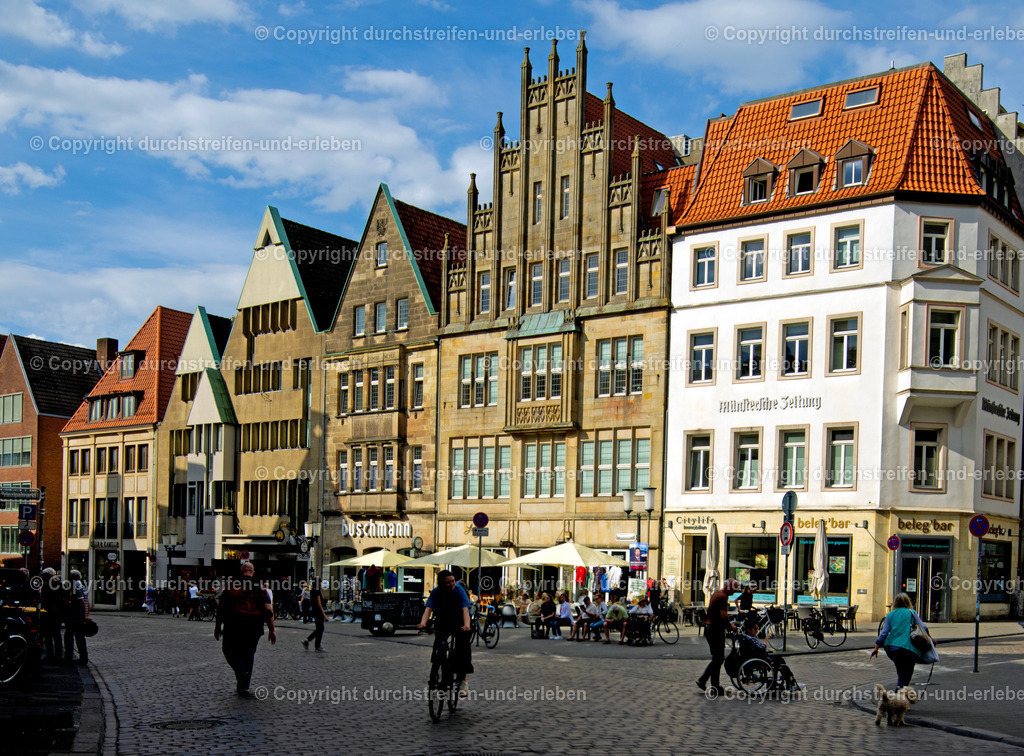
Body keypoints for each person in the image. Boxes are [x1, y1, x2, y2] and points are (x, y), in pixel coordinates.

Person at [214, 562, 276, 697]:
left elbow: (221, 608)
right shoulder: (260, 589)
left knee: (229, 650)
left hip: (233, 625)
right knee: (248, 655)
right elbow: (268, 610)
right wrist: (272, 629)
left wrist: (218, 626)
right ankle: (244, 686)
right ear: (253, 572)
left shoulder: (230, 586)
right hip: (253, 627)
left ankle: (241, 673)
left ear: (241, 572)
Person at [418, 569, 473, 697]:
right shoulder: (437, 591)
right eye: (448, 582)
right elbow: (428, 608)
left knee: (463, 646)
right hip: (444, 619)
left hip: (461, 620)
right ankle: (436, 668)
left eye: (453, 581)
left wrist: (466, 625)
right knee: (438, 642)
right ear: (442, 583)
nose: (452, 584)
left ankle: (463, 680)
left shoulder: (459, 590)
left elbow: (465, 609)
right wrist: (423, 623)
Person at [871, 592, 930, 689]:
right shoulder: (912, 613)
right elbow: (923, 627)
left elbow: (884, 633)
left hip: (894, 649)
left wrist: (876, 647)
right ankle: (896, 699)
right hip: (909, 648)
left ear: (895, 603)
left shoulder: (890, 615)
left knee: (901, 675)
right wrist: (930, 639)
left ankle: (898, 698)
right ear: (908, 602)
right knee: (906, 676)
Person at [697, 578, 739, 695]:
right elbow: (723, 615)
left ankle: (710, 684)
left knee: (717, 658)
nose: (734, 592)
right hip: (715, 630)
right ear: (729, 587)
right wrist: (730, 626)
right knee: (718, 658)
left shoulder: (716, 593)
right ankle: (710, 684)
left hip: (711, 629)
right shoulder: (722, 597)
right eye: (734, 588)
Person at [740, 617, 799, 690]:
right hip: (759, 659)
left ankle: (782, 682)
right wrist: (766, 639)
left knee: (779, 661)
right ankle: (789, 682)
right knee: (781, 662)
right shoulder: (750, 638)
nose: (757, 631)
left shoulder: (745, 637)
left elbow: (757, 649)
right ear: (748, 629)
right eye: (755, 629)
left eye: (757, 629)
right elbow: (761, 648)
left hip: (755, 657)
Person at [64, 569, 90, 666]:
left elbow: (81, 601)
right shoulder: (81, 585)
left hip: (76, 615)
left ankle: (78, 658)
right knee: (79, 637)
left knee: (74, 636)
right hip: (79, 615)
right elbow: (87, 601)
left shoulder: (76, 586)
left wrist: (83, 616)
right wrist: (87, 614)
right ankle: (83, 658)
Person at [39, 568, 65, 663]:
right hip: (53, 614)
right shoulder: (58, 585)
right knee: (53, 635)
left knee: (52, 635)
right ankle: (56, 655)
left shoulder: (52, 586)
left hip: (52, 614)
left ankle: (54, 655)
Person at [302, 578, 329, 651]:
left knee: (319, 628)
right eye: (321, 582)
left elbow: (312, 601)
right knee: (320, 628)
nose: (321, 584)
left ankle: (307, 641)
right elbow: (319, 603)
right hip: (318, 611)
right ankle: (317, 646)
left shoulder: (312, 591)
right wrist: (324, 615)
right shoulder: (317, 591)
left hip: (314, 611)